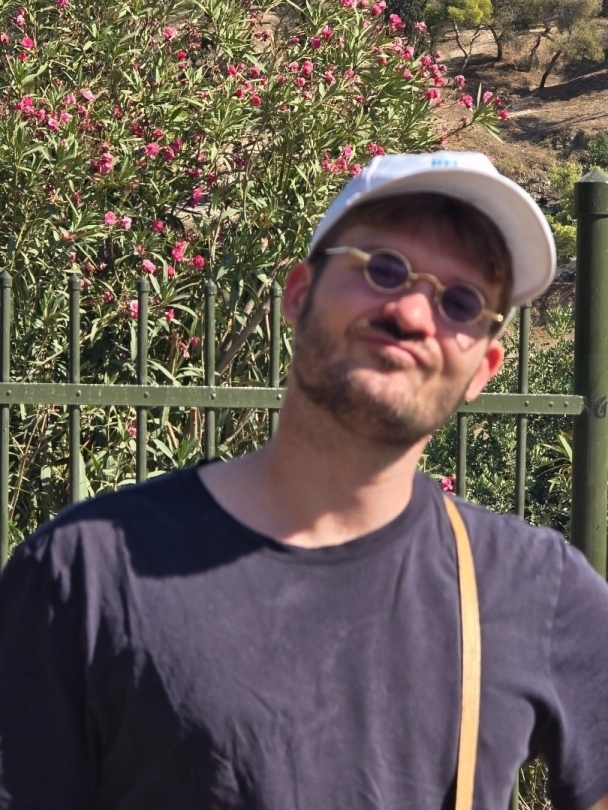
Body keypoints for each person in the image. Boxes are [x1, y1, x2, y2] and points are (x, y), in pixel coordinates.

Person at [1, 151, 608, 810]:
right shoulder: (81, 573)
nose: (412, 314)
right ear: (298, 293)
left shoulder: (535, 588)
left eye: (461, 302)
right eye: (383, 268)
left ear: (482, 371)